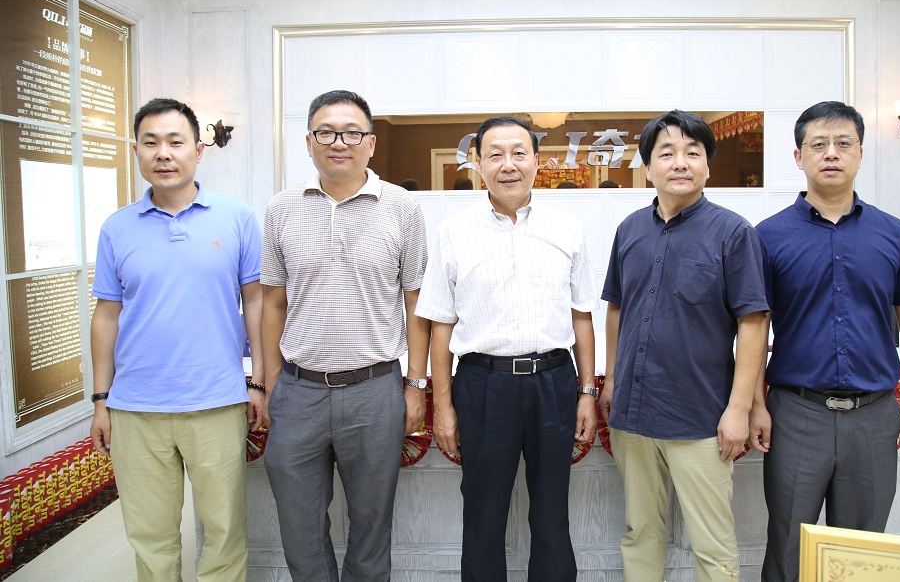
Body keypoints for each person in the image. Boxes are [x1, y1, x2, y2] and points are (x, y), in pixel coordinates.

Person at [750, 101, 900, 582]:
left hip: (874, 417)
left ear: (860, 153)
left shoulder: (893, 234)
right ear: (799, 157)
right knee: (788, 546)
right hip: (797, 414)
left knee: (861, 554)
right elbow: (753, 328)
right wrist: (756, 405)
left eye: (843, 143)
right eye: (818, 144)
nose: (831, 153)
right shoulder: (767, 237)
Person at [416, 116, 598, 582]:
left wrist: (586, 393)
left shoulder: (567, 228)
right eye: (495, 155)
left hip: (554, 383)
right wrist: (443, 406)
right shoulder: (454, 231)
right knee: (483, 516)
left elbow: (582, 316)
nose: (508, 165)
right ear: (478, 164)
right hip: (482, 385)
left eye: (519, 153)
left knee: (552, 515)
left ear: (537, 160)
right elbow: (440, 325)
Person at [90, 97, 263, 581]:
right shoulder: (116, 228)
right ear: (136, 150)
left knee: (224, 533)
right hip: (135, 408)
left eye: (175, 141)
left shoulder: (237, 217)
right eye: (150, 143)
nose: (163, 153)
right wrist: (101, 400)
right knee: (151, 538)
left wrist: (258, 382)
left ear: (198, 150)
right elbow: (106, 316)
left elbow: (256, 303)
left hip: (216, 401)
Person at [260, 89, 429, 581]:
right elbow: (272, 302)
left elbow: (416, 303)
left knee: (371, 526)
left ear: (370, 143)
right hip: (299, 390)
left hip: (374, 391)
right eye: (326, 132)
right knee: (299, 528)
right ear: (308, 142)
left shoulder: (402, 207)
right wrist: (271, 383)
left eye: (352, 133)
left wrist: (415, 385)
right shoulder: (281, 208)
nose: (339, 142)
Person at [599, 110, 769, 582]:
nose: (680, 163)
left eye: (693, 153)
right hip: (633, 414)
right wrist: (611, 380)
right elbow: (617, 309)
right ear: (647, 168)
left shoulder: (733, 232)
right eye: (667, 153)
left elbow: (753, 323)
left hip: (701, 418)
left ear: (707, 167)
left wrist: (739, 409)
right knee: (639, 532)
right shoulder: (630, 229)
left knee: (712, 544)